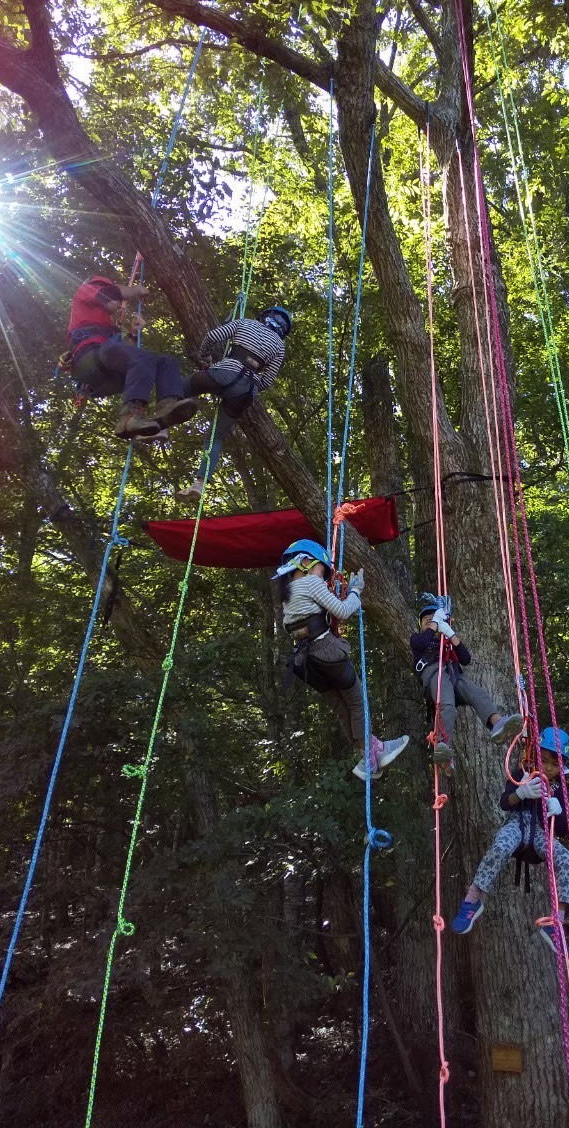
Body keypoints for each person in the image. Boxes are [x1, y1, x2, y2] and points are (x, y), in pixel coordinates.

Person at [274, 539, 409, 782]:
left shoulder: (288, 594)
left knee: (340, 707)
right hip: (326, 651)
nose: (323, 576)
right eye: (321, 569)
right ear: (305, 563)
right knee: (356, 702)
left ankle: (367, 753)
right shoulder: (311, 582)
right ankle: (372, 752)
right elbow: (344, 610)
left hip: (305, 663)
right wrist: (355, 591)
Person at [451, 727, 569, 952]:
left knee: (566, 859)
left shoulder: (561, 789)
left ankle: (557, 921)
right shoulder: (523, 772)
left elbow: (564, 830)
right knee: (501, 845)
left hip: (539, 830)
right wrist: (521, 793)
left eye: (554, 765)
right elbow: (504, 802)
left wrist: (557, 810)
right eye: (544, 760)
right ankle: (472, 900)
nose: (547, 768)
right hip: (517, 823)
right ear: (536, 755)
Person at [176, 306, 291, 503]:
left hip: (224, 372)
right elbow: (268, 381)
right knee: (216, 436)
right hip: (245, 391)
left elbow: (213, 336)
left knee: (179, 388)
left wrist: (205, 357)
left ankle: (161, 421)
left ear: (264, 316)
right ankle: (199, 484)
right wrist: (249, 385)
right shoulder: (279, 347)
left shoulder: (246, 323)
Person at [67, 274, 198, 439]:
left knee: (167, 361)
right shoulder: (84, 291)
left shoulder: (106, 324)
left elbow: (126, 355)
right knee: (144, 358)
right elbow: (110, 295)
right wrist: (137, 289)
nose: (120, 305)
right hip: (88, 360)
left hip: (106, 372)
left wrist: (133, 333)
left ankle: (164, 413)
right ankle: (129, 417)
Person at [410, 595, 523, 774]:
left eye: (434, 619)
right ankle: (443, 749)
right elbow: (422, 641)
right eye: (427, 621)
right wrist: (436, 622)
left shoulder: (446, 640)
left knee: (477, 693)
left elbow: (466, 658)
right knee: (446, 705)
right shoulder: (417, 640)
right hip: (435, 675)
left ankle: (497, 724)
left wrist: (449, 633)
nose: (432, 623)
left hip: (454, 675)